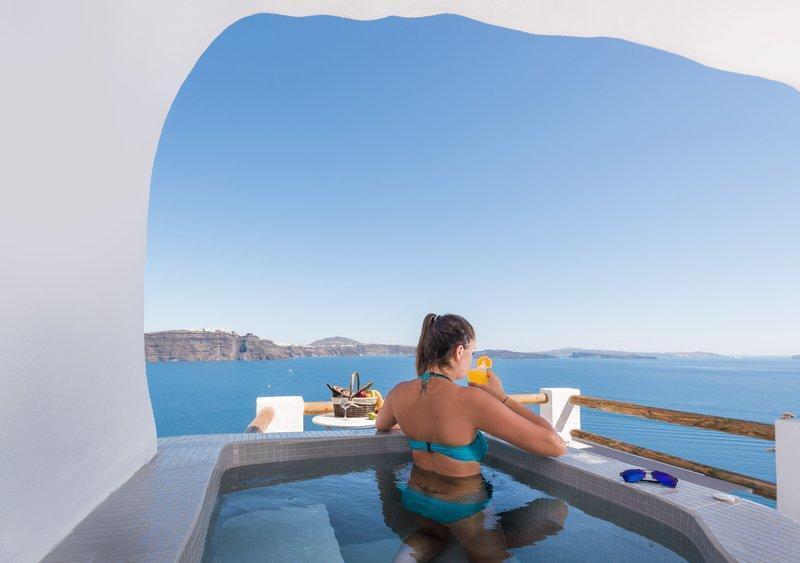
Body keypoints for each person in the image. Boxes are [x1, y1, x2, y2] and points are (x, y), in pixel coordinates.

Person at [376, 313, 566, 477]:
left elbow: (381, 425)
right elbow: (555, 445)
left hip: (414, 501)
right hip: (461, 506)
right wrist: (502, 397)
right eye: (472, 352)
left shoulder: (398, 393)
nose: (471, 360)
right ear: (459, 351)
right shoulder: (471, 400)